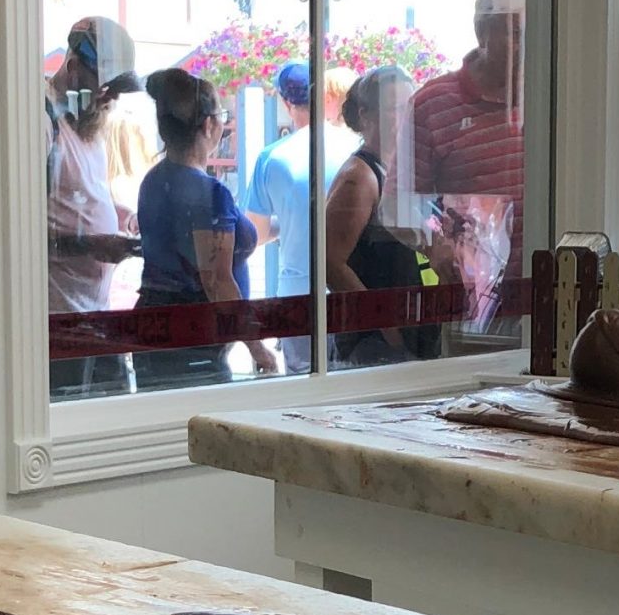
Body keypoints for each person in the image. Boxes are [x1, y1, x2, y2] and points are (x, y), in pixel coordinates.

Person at [134, 68, 277, 389]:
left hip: (156, 327)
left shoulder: (155, 180)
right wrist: (257, 347)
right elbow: (217, 280)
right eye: (221, 116)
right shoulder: (209, 193)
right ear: (209, 124)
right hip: (193, 340)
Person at [413, 0, 525, 322]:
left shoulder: (554, 94)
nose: (526, 44)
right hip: (472, 302)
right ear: (481, 33)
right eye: (515, 32)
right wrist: (437, 242)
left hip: (552, 295)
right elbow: (399, 199)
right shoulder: (433, 103)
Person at [44, 16, 142, 399]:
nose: (110, 98)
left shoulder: (87, 127)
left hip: (94, 310)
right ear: (73, 68)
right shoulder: (42, 122)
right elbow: (19, 229)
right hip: (59, 316)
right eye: (105, 87)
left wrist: (120, 214)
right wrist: (89, 244)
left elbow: (79, 195)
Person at [245, 62, 360, 371]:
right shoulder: (356, 148)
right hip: (349, 288)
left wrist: (289, 223)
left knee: (304, 398)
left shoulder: (272, 157)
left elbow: (254, 235)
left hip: (296, 294)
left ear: (286, 103)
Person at [328, 68, 442, 364]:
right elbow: (330, 263)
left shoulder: (404, 171)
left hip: (411, 334)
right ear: (366, 116)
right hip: (374, 347)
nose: (407, 117)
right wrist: (384, 326)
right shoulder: (360, 177)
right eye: (395, 108)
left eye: (411, 106)